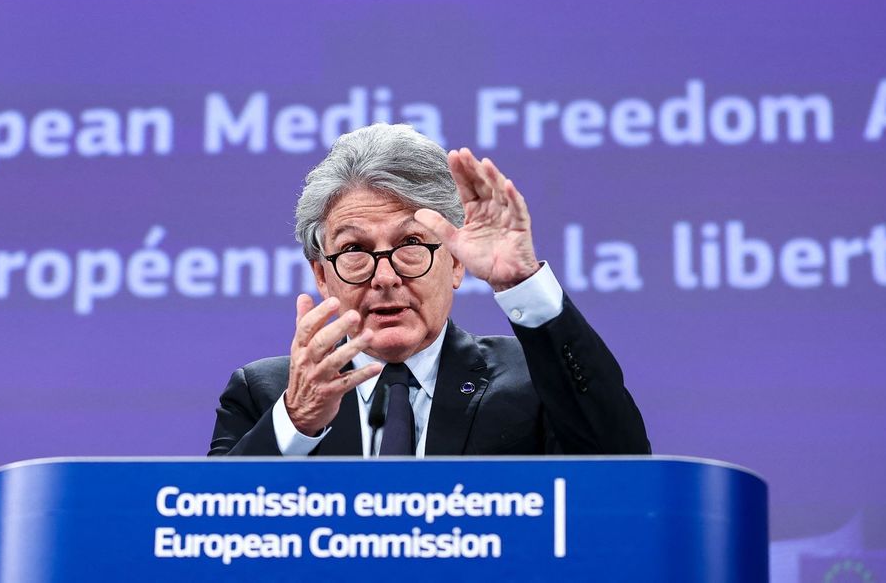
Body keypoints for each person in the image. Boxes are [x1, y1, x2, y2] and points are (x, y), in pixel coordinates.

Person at [208, 123, 649, 456]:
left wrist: (520, 281)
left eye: (411, 245)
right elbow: (203, 533)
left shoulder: (534, 379)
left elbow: (623, 460)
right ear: (322, 276)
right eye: (355, 249)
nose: (385, 277)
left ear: (455, 262)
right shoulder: (265, 393)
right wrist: (298, 422)